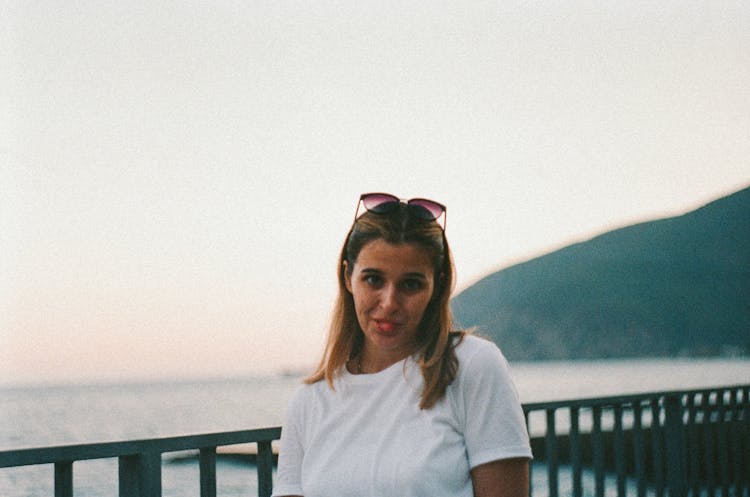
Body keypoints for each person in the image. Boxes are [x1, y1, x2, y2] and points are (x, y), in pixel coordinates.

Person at [272, 193, 532, 497]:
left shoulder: (471, 366)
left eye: (411, 284)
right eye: (373, 280)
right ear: (347, 276)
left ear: (437, 285)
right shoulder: (308, 403)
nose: (390, 302)